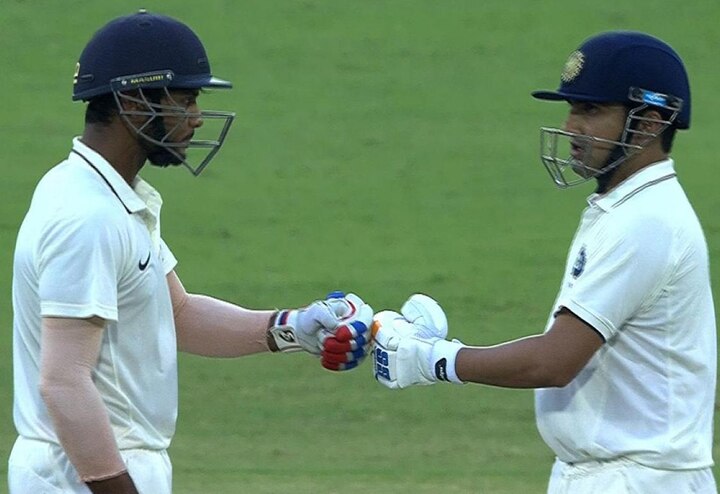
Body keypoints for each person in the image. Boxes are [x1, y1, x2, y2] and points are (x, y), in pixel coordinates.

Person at [8, 10, 373, 494]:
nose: (197, 116)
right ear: (134, 100)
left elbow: (176, 313)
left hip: (99, 465)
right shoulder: (87, 217)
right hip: (82, 473)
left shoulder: (106, 197)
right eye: (186, 98)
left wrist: (290, 326)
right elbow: (63, 383)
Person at [371, 31, 717, 493]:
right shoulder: (630, 209)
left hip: (637, 479)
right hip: (610, 473)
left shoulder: (647, 221)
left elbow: (554, 362)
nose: (572, 127)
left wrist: (434, 358)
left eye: (591, 110)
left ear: (650, 123)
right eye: (572, 109)